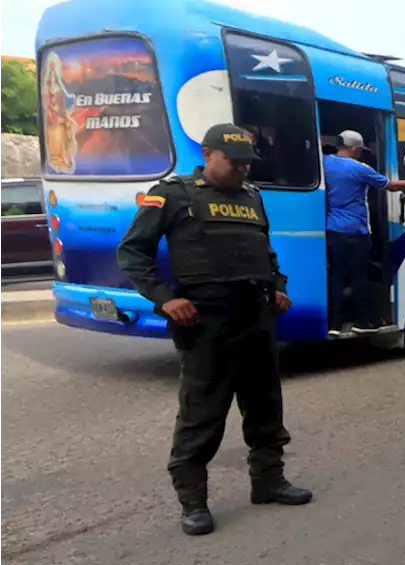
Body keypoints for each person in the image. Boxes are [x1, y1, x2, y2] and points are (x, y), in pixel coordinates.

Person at [117, 123, 314, 536]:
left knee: (264, 405)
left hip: (255, 317)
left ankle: (268, 482)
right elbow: (133, 252)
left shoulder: (252, 197)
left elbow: (265, 252)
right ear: (208, 154)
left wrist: (277, 287)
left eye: (246, 162)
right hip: (205, 320)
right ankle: (193, 502)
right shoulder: (173, 193)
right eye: (233, 161)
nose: (241, 169)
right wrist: (164, 298)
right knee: (202, 414)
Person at [324, 130, 405, 335]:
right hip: (356, 231)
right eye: (360, 150)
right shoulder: (360, 168)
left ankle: (334, 324)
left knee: (336, 276)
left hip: (332, 230)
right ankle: (361, 321)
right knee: (359, 277)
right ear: (354, 149)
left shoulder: (324, 163)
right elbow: (391, 186)